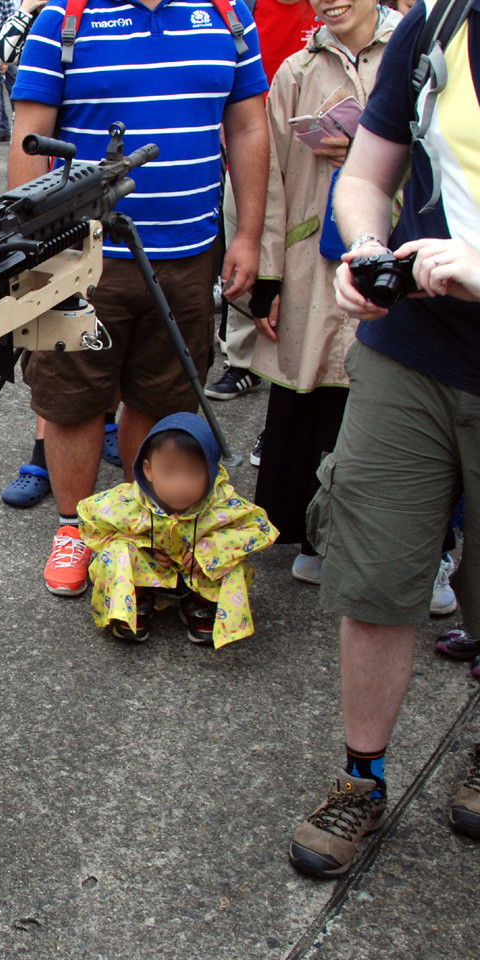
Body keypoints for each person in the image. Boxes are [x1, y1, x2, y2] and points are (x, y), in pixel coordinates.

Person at [287, 0, 480, 879]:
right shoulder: (437, 23)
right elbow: (367, 173)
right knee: (372, 566)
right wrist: (367, 246)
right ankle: (362, 779)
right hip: (415, 351)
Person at [6, 0, 269, 598]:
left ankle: (138, 522)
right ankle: (75, 530)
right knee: (73, 398)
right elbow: (28, 138)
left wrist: (249, 234)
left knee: (162, 393)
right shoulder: (64, 19)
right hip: (83, 256)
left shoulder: (229, 16)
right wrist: (28, 247)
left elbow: (248, 126)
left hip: (189, 253)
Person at [248, 0, 399, 585]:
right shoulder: (295, 71)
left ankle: (415, 551)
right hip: (312, 263)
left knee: (392, 405)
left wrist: (376, 156)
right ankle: (311, 532)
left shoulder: (416, 58)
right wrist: (268, 275)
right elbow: (271, 179)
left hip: (398, 258)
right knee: (309, 390)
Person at [78, 413, 277, 646]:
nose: (180, 485)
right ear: (148, 470)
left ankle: (200, 605)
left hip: (197, 574)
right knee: (115, 552)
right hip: (151, 572)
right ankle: (138, 601)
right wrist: (143, 545)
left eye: (193, 473)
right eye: (170, 472)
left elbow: (261, 527)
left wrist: (213, 550)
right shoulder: (131, 500)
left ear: (211, 472)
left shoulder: (221, 501)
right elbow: (89, 517)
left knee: (235, 565)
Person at [207, 0, 319, 403]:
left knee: (306, 254)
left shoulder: (329, 8)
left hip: (312, 147)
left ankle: (296, 374)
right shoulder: (244, 7)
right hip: (252, 141)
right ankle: (241, 361)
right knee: (243, 240)